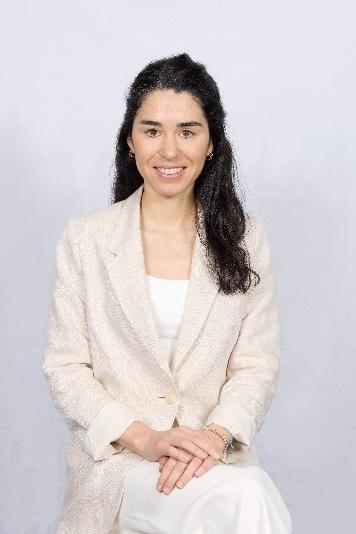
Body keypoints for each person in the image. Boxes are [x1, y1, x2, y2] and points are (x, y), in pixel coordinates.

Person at [43, 53, 292, 533]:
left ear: (212, 144)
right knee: (250, 497)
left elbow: (256, 365)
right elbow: (65, 367)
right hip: (122, 465)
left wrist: (214, 439)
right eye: (153, 130)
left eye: (188, 131)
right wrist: (147, 439)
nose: (170, 150)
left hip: (211, 460)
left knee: (245, 492)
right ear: (131, 143)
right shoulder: (86, 239)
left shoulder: (246, 240)